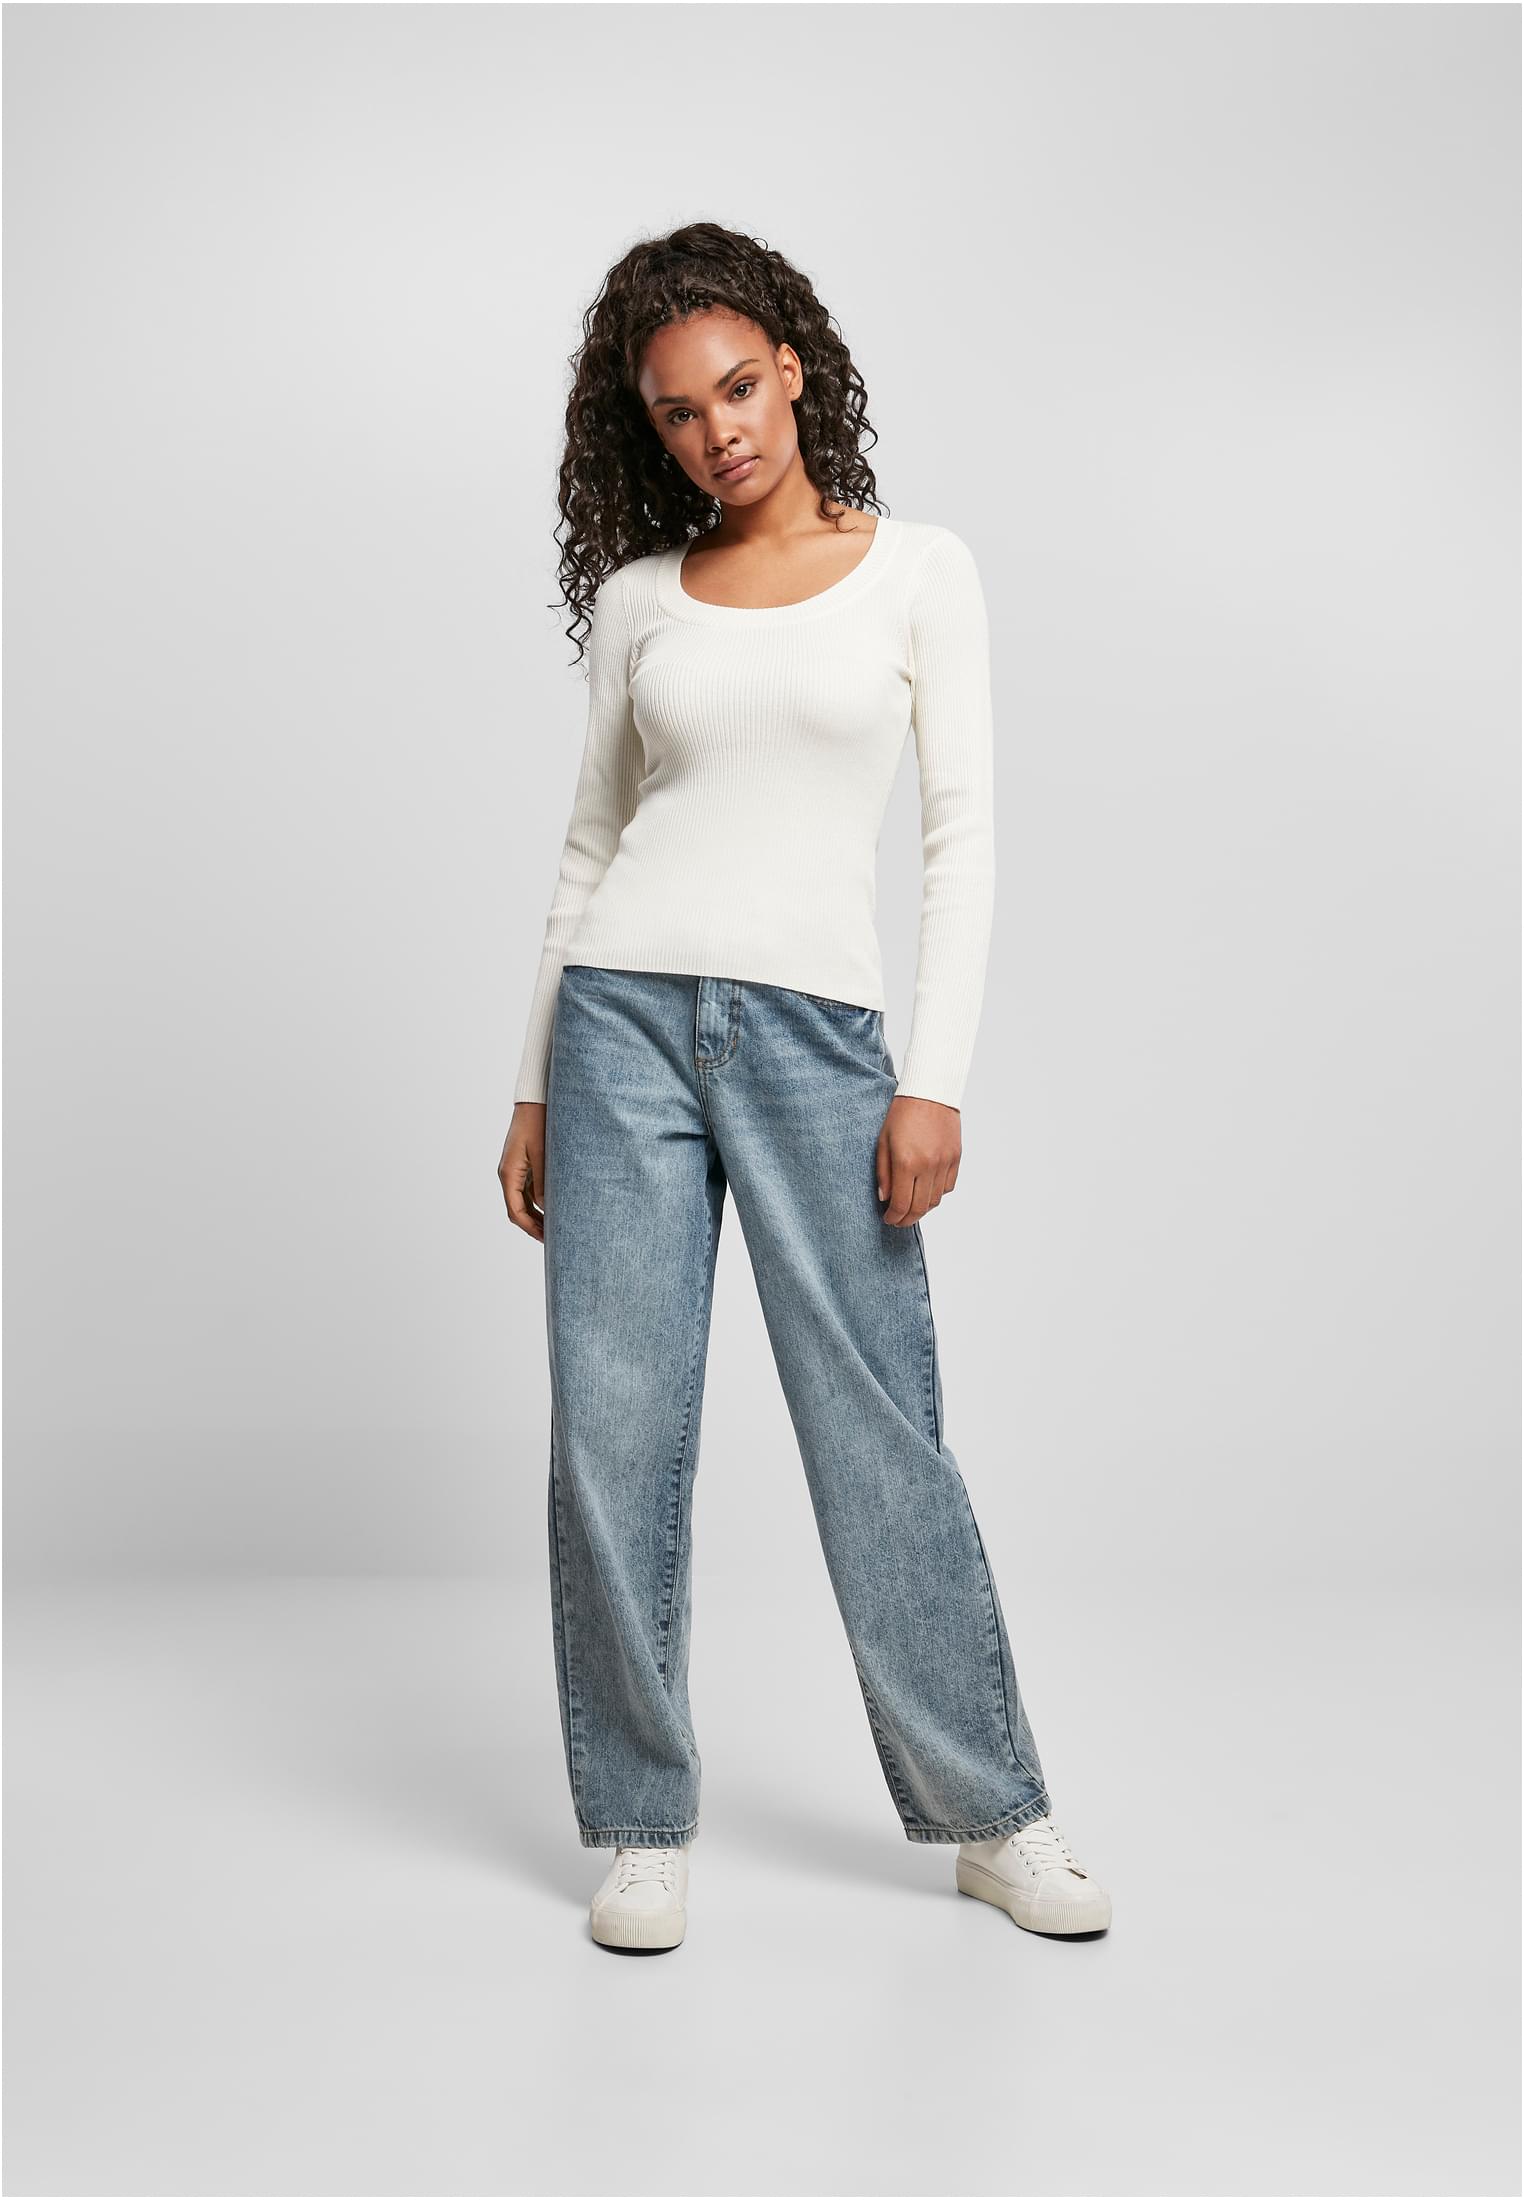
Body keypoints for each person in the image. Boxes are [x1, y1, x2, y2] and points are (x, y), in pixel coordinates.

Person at [498, 221, 1110, 1954]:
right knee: (613, 1433)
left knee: (875, 1428)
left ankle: (995, 1816)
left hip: (818, 1042)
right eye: (678, 413)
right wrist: (533, 1082)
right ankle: (640, 1825)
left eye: (740, 389)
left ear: (795, 369)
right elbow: (592, 843)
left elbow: (963, 837)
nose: (720, 432)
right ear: (649, 431)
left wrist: (934, 1080)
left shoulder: (918, 570)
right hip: (619, 1027)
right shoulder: (641, 602)